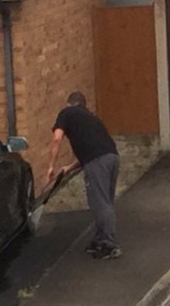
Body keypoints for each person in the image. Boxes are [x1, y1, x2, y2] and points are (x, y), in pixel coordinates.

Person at [47, 91, 121, 259]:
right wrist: (67, 168)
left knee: (99, 203)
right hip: (112, 157)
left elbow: (57, 138)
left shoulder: (66, 113)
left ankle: (109, 245)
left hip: (98, 161)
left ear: (69, 104)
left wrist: (50, 166)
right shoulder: (91, 118)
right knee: (105, 201)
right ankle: (100, 239)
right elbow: (89, 153)